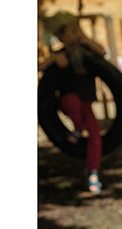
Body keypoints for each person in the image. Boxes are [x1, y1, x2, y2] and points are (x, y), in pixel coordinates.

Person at [42, 11, 108, 195]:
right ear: (60, 36)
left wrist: (86, 40)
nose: (76, 33)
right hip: (67, 100)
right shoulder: (60, 53)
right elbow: (41, 67)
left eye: (78, 29)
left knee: (95, 134)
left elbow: (103, 52)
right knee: (72, 101)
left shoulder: (88, 52)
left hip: (85, 103)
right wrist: (54, 58)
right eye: (72, 31)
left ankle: (93, 172)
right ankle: (78, 128)